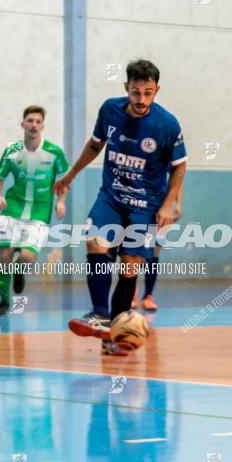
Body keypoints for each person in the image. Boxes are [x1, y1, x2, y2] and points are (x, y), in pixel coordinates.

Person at [54, 59, 186, 355]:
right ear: (127, 87)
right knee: (95, 241)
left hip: (146, 205)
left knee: (129, 268)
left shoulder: (167, 124)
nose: (141, 100)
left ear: (157, 90)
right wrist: (70, 175)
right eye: (136, 92)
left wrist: (169, 205)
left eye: (148, 93)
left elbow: (180, 166)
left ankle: (114, 332)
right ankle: (100, 312)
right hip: (111, 197)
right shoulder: (110, 110)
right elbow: (94, 144)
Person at [0, 105, 68, 314]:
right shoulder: (12, 150)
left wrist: (61, 201)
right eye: (30, 121)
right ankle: (4, 301)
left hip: (40, 211)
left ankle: (19, 272)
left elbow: (64, 181)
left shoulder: (54, 152)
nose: (33, 125)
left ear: (43, 126)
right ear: (23, 124)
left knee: (27, 258)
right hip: (13, 206)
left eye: (37, 122)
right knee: (5, 256)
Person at [132, 183, 182, 311]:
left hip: (161, 206)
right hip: (139, 202)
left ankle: (148, 296)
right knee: (137, 251)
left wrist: (178, 205)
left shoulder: (173, 163)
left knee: (154, 251)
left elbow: (178, 180)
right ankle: (131, 291)